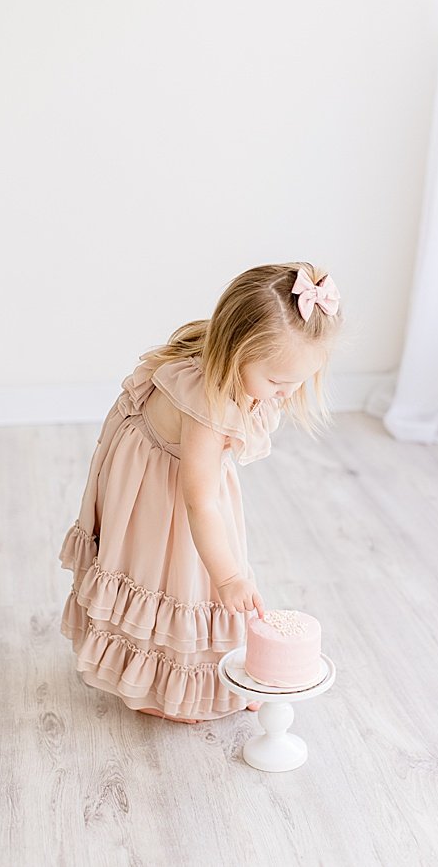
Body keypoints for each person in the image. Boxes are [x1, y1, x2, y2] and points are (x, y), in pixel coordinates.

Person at [59, 263, 342, 722]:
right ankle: (162, 688)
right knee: (182, 575)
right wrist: (229, 577)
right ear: (235, 353)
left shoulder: (232, 366)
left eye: (298, 382)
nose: (285, 394)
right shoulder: (207, 401)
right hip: (160, 483)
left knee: (212, 571)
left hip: (182, 467)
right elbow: (200, 501)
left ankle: (224, 667)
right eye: (276, 382)